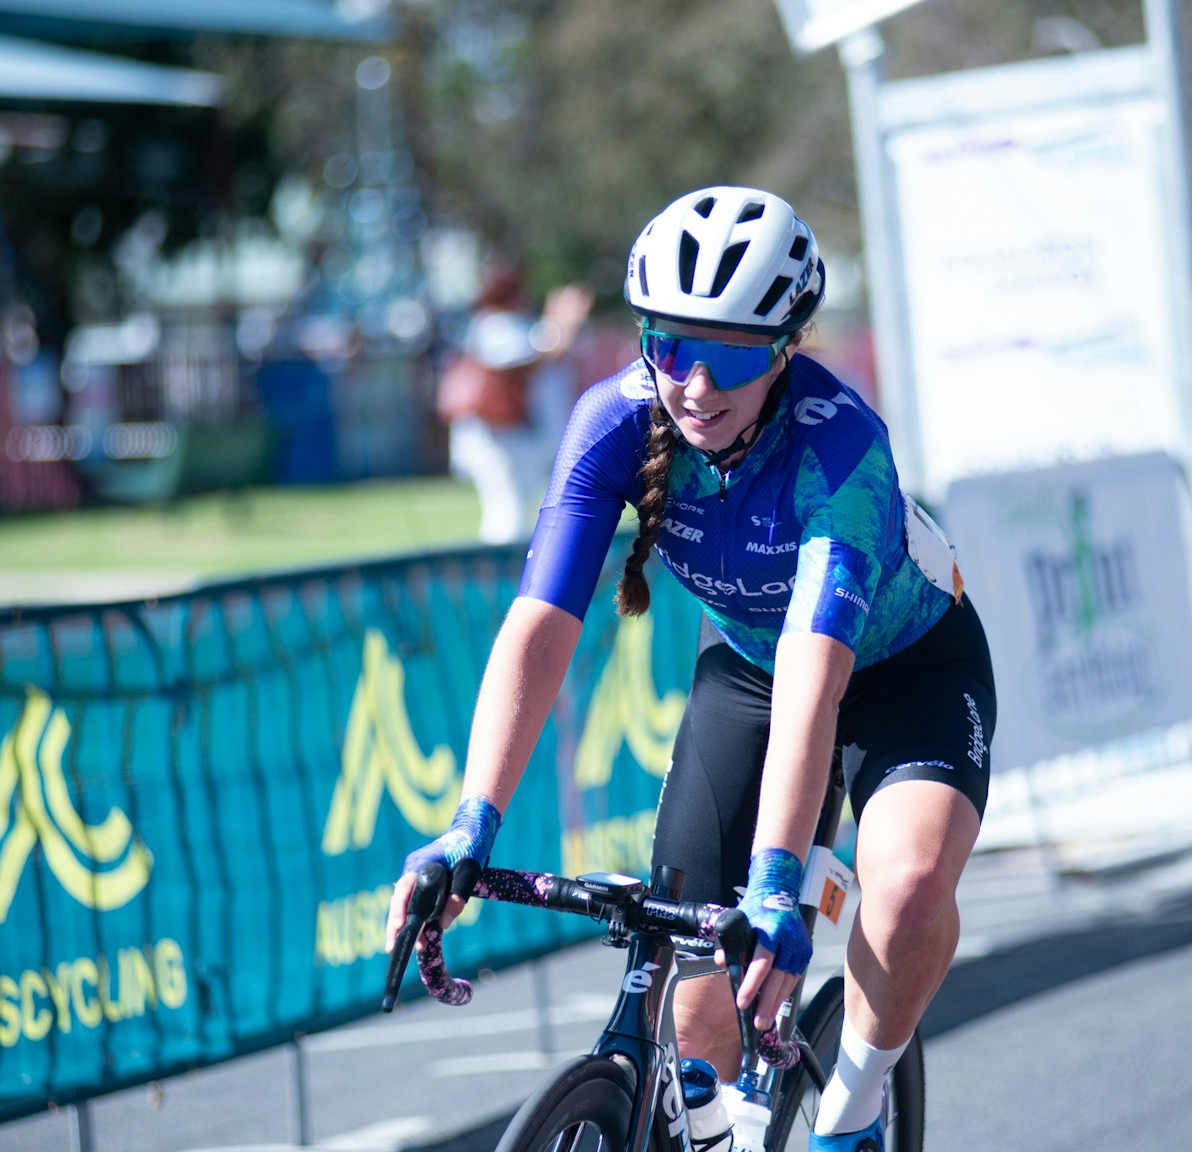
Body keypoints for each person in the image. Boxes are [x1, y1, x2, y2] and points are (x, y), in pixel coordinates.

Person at [385, 186, 996, 1152]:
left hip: (905, 669)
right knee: (699, 1004)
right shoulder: (613, 419)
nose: (697, 385)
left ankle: (854, 1105)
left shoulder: (841, 456)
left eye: (734, 355)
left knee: (907, 885)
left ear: (786, 351)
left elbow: (817, 684)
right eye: (671, 345)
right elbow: (541, 627)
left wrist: (777, 880)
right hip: (752, 669)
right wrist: (470, 822)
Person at [445, 267, 592, 544]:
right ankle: (501, 579)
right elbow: (532, 358)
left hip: (513, 436)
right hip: (500, 437)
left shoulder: (504, 324)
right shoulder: (494, 325)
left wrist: (558, 323)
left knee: (520, 509)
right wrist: (560, 322)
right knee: (508, 514)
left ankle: (508, 576)